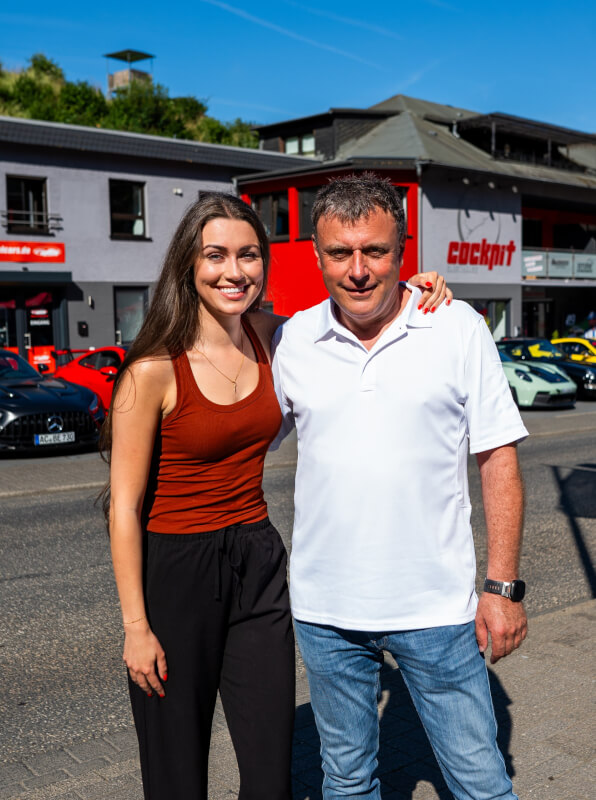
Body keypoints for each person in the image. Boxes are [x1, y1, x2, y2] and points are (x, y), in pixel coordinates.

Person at [103, 191, 450, 800]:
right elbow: (124, 508)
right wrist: (136, 626)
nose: (233, 272)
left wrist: (409, 292)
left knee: (271, 771)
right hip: (175, 570)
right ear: (189, 263)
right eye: (216, 256)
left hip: (259, 564)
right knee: (176, 772)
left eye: (248, 256)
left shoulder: (272, 335)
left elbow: (354, 309)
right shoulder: (152, 369)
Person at [271, 174, 529, 800]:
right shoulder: (292, 340)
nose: (357, 270)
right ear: (316, 255)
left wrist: (501, 588)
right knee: (347, 780)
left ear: (403, 252)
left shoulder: (457, 326)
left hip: (436, 611)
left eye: (375, 251)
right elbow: (241, 436)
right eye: (340, 253)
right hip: (325, 613)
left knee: (481, 784)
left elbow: (498, 459)